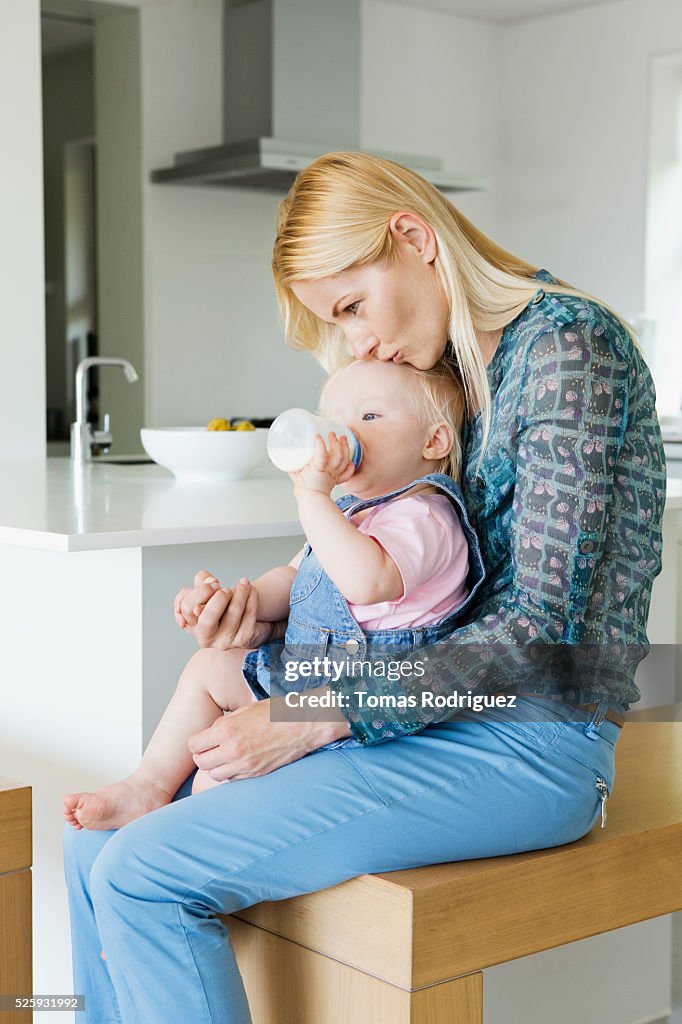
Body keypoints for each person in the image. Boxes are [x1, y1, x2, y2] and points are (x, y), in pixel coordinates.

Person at [63, 152, 666, 1024]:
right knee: (95, 848)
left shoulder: (571, 352)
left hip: (528, 741)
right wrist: (267, 620)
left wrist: (312, 709)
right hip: (416, 713)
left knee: (144, 874)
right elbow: (397, 590)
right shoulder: (448, 369)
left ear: (415, 238)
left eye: (353, 307)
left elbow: (541, 637)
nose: (360, 343)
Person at [63, 356, 482, 830]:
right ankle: (148, 786)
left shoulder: (426, 516)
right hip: (310, 673)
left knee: (212, 781)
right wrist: (241, 602)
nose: (343, 435)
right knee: (207, 667)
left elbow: (367, 580)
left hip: (366, 704)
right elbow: (296, 578)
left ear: (435, 440)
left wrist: (312, 499)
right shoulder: (348, 512)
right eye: (336, 421)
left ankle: (188, 832)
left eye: (369, 417)